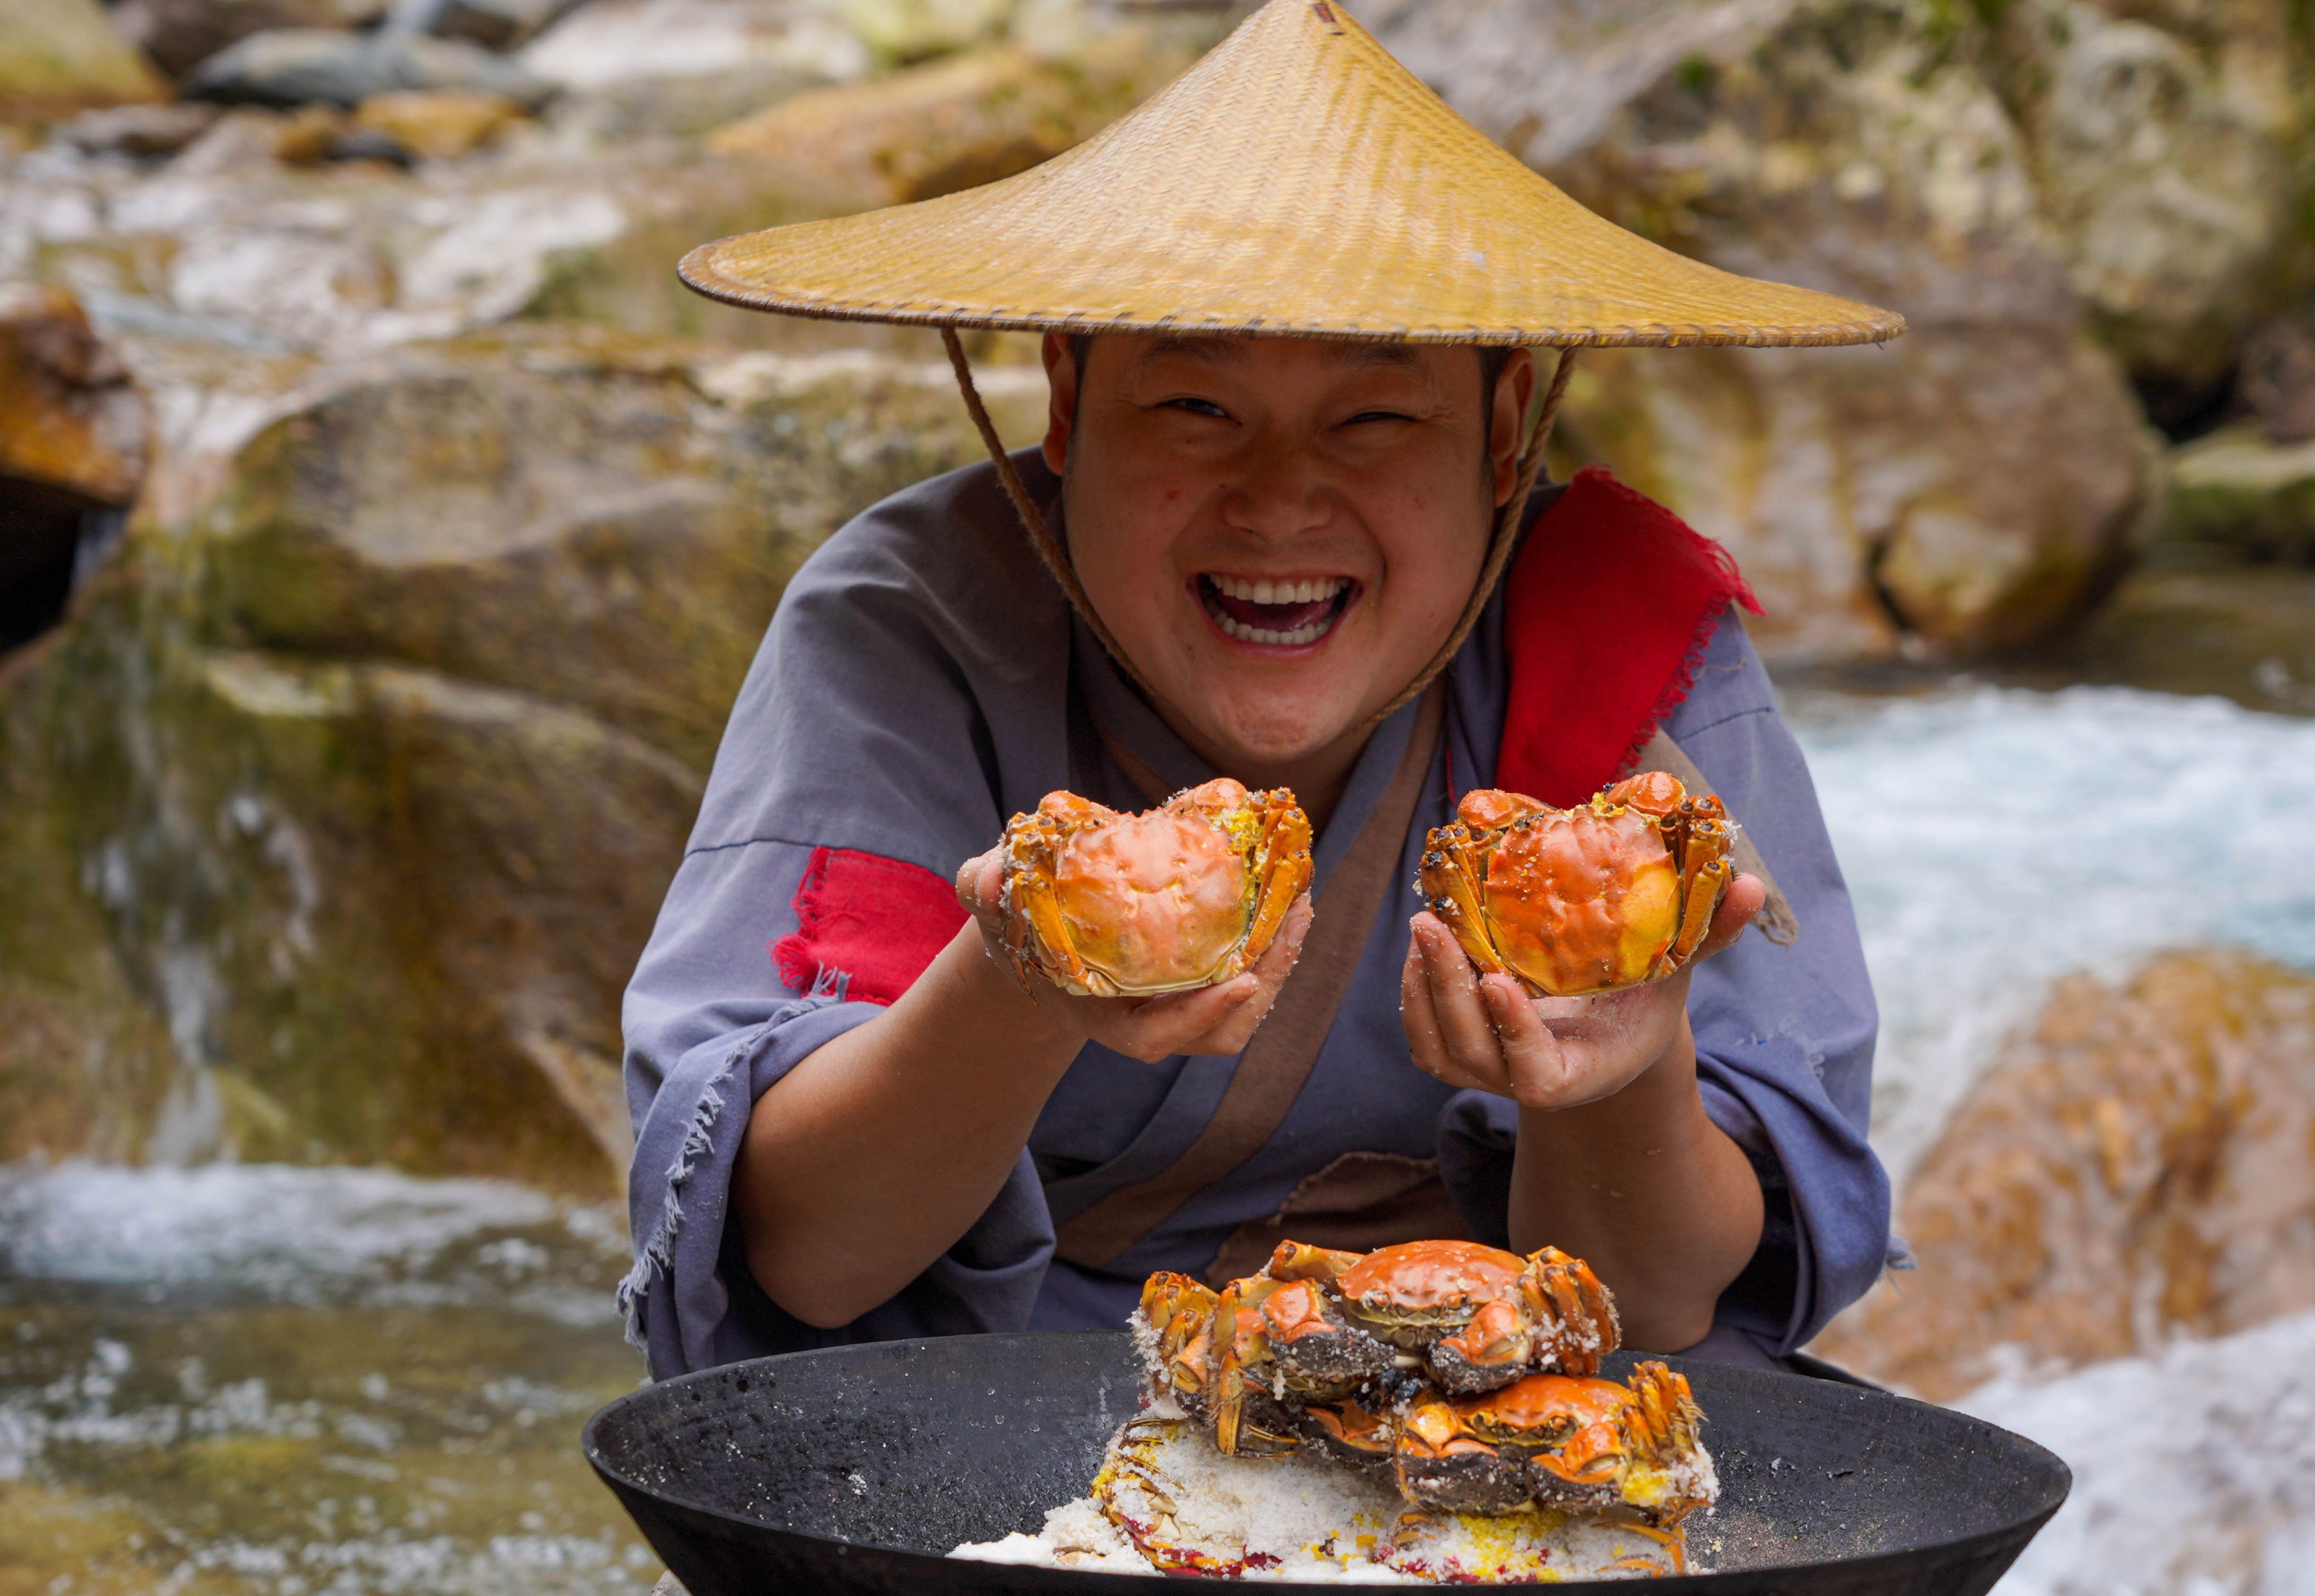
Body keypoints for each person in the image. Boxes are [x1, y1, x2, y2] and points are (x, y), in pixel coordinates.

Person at [618, 0, 1901, 1381]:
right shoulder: (917, 627)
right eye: (1193, 410)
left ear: (1507, 423)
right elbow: (808, 1263)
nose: (1280, 501)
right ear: (1064, 399)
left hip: (1510, 1390)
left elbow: (1658, 1308)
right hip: (1022, 1402)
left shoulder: (1614, 637)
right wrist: (1018, 979)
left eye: (1374, 416)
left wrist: (1624, 1069)